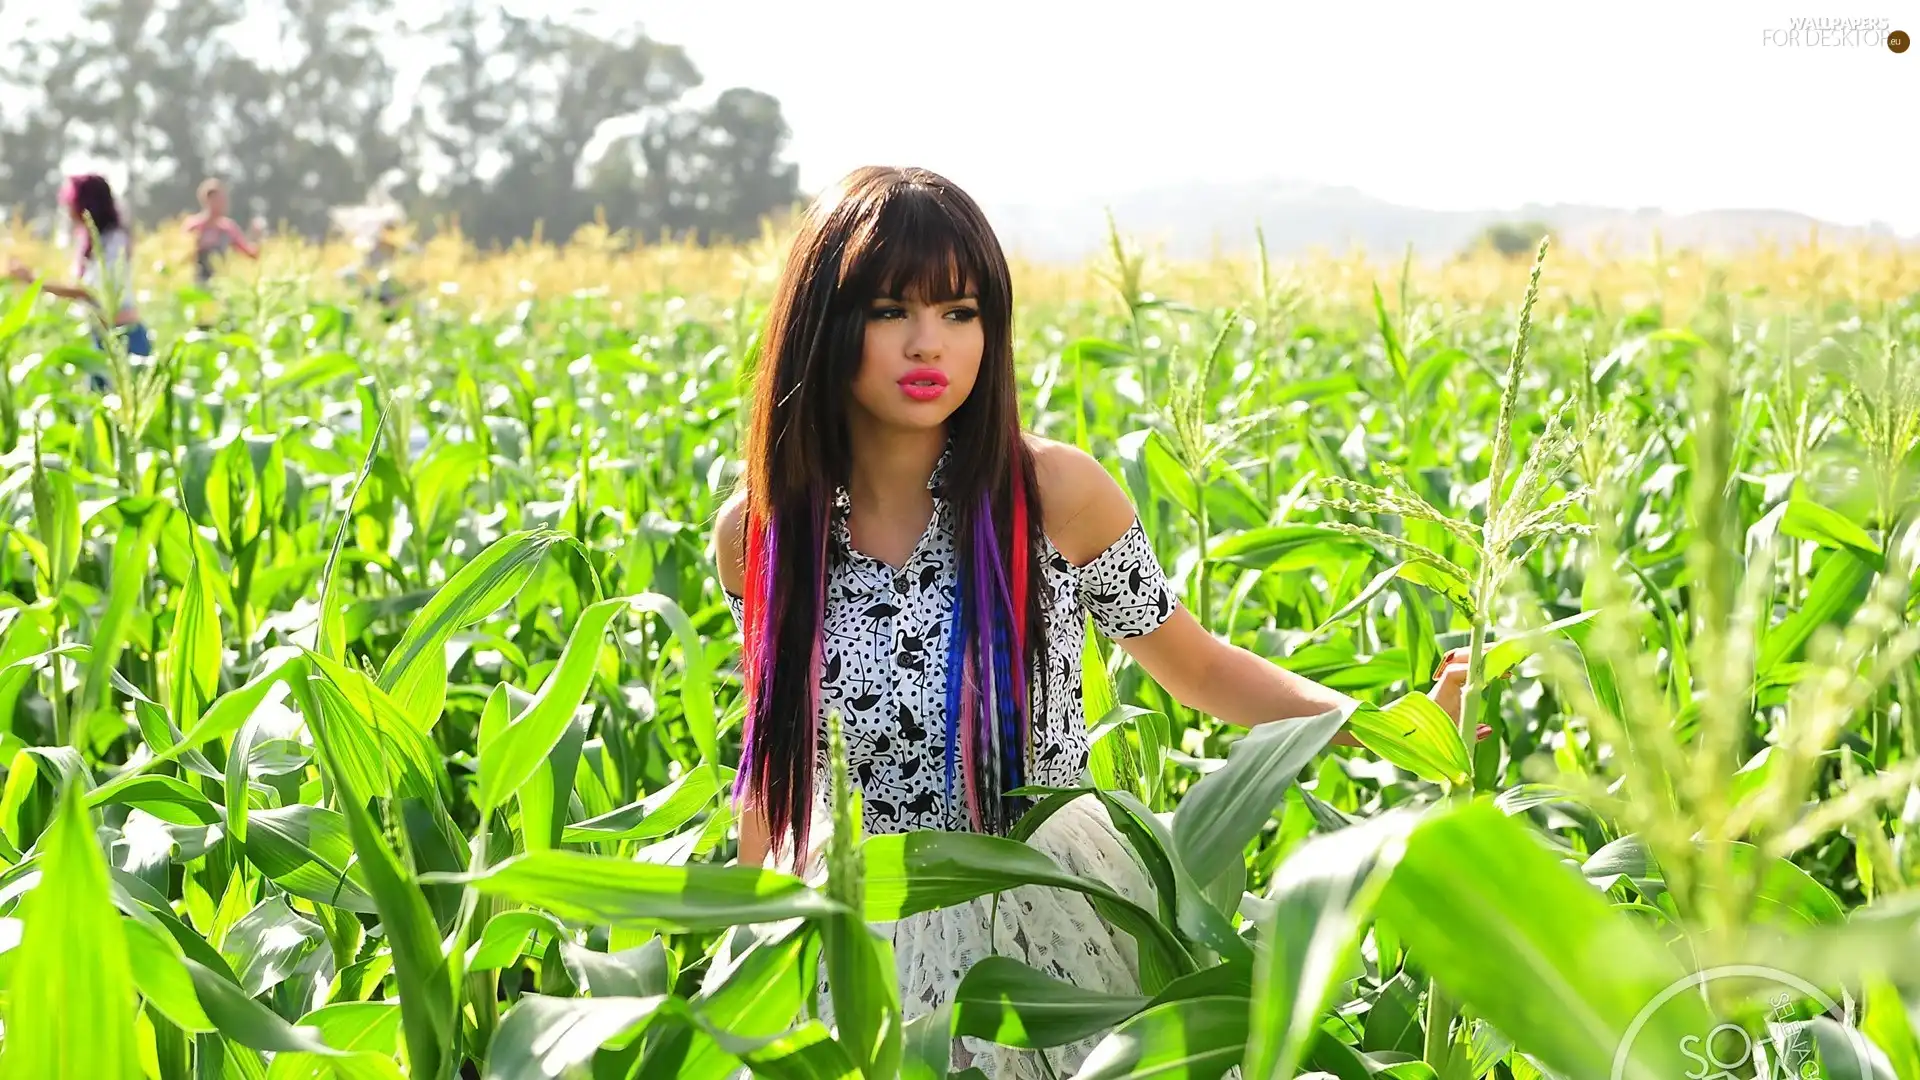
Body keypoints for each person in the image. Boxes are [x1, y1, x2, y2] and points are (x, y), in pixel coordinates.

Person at [708, 165, 1476, 1078]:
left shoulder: (1050, 496)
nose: (930, 345)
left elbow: (1196, 666)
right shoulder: (762, 534)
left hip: (1044, 912)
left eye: (961, 313)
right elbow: (773, 760)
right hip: (851, 919)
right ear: (822, 326)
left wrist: (1390, 727)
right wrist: (742, 933)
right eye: (889, 311)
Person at [8, 173, 152, 378]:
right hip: (101, 338)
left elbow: (90, 292)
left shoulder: (114, 240)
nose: (68, 210)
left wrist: (34, 281)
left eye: (71, 202)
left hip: (125, 338)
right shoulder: (92, 243)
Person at [182, 177, 260, 286]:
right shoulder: (194, 226)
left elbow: (248, 252)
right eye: (220, 199)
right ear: (209, 200)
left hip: (220, 283)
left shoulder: (228, 228)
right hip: (196, 285)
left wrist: (256, 237)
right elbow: (181, 257)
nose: (225, 203)